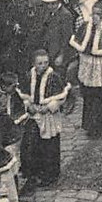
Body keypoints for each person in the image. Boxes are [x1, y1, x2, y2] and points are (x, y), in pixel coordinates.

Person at [20, 49, 71, 189]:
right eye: (40, 63)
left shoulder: (54, 77)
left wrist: (49, 107)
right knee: (30, 143)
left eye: (46, 63)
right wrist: (28, 105)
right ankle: (33, 173)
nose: (43, 66)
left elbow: (61, 97)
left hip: (48, 115)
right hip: (34, 114)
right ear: (34, 64)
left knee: (49, 145)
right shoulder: (29, 76)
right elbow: (24, 95)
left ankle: (50, 175)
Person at [69, 3, 102, 140]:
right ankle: (89, 125)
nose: (95, 17)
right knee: (88, 96)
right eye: (93, 13)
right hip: (87, 64)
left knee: (100, 97)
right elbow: (77, 42)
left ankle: (100, 127)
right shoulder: (85, 26)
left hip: (101, 66)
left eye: (98, 14)